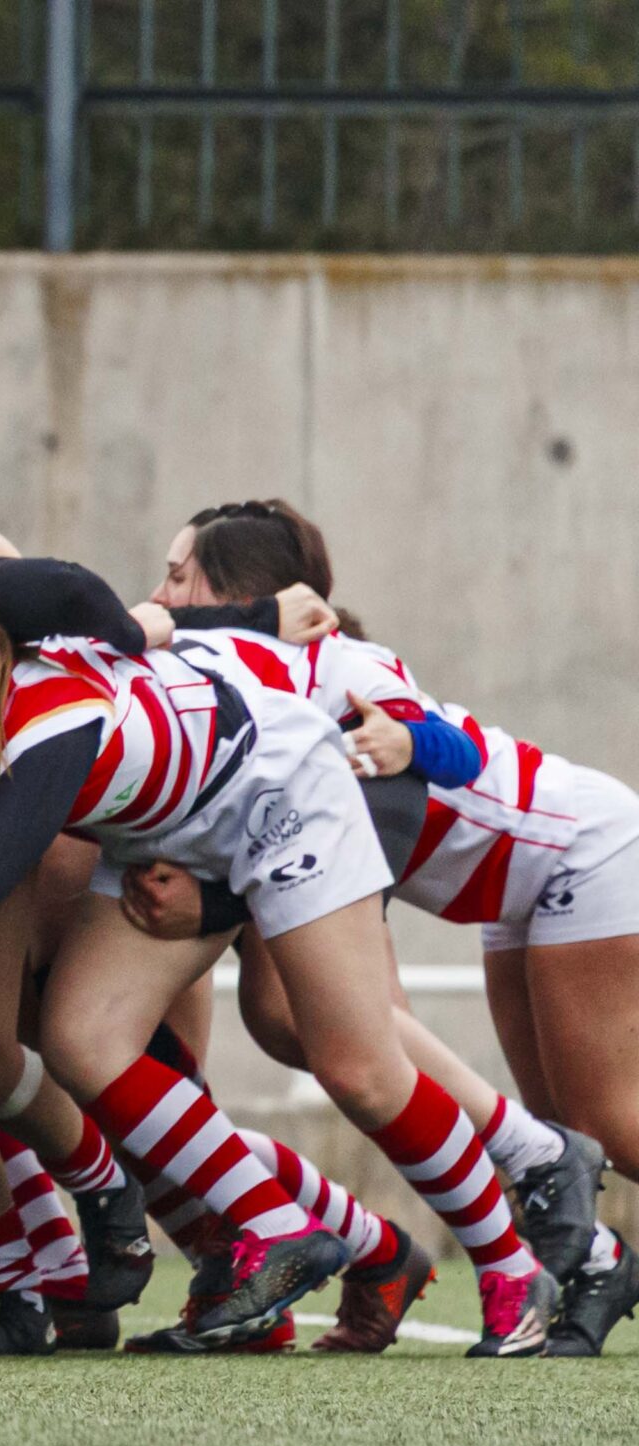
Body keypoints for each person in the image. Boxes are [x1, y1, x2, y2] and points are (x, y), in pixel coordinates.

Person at [0, 573, 558, 1356]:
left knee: (358, 1068)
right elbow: (72, 596)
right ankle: (277, 1228)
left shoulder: (48, 724)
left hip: (280, 795)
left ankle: (514, 1267)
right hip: (168, 830)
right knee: (82, 1042)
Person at [132, 500, 633, 1354]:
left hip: (580, 855)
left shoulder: (334, 661)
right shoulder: (231, 682)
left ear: (246, 590)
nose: (158, 591)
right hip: (503, 894)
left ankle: (550, 1207)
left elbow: (458, 752)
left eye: (178, 575)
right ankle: (594, 1255)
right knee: (543, 1128)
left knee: (607, 1128)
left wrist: (405, 739)